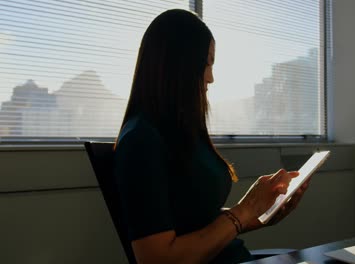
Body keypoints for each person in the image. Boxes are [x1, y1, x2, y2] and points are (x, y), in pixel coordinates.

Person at [114, 9, 311, 264]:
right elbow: (157, 258)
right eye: (207, 63)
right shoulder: (140, 140)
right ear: (181, 65)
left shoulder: (180, 134)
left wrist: (264, 210)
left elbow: (198, 221)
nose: (211, 78)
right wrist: (245, 209)